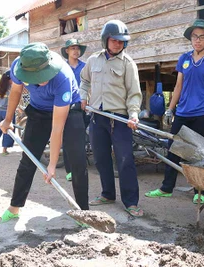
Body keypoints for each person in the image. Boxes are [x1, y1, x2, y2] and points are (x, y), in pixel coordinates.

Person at [0, 42, 89, 223]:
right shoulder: (18, 66)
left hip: (69, 112)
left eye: (44, 74)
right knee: (28, 159)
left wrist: (52, 164)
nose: (43, 79)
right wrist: (8, 119)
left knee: (78, 161)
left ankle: (83, 213)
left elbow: (57, 128)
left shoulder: (62, 76)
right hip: (39, 111)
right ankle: (14, 208)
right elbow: (15, 91)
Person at [145, 19, 204, 204]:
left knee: (201, 153)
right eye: (194, 36)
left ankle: (200, 191)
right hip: (182, 113)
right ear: (191, 38)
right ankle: (166, 188)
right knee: (173, 150)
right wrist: (170, 109)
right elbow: (178, 85)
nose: (198, 40)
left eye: (202, 37)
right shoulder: (184, 59)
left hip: (203, 114)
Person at [80, 20, 144, 217]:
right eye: (114, 40)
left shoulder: (128, 64)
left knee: (125, 160)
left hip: (120, 120)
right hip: (98, 117)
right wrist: (83, 97)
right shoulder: (93, 60)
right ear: (105, 40)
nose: (117, 44)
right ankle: (107, 194)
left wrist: (133, 114)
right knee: (100, 158)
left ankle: (131, 202)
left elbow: (134, 93)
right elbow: (84, 81)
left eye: (121, 41)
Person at [61, 38, 88, 181]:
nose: (76, 51)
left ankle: (80, 167)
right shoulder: (62, 67)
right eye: (73, 48)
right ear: (67, 51)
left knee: (81, 138)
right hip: (65, 106)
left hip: (82, 106)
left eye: (77, 48)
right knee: (67, 139)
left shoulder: (85, 66)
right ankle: (69, 170)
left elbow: (90, 84)